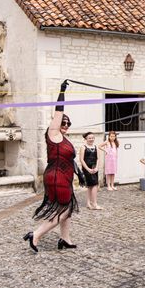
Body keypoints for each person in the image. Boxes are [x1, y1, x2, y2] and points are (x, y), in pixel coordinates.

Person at [23, 80, 78, 253]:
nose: (66, 125)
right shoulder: (53, 133)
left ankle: (65, 239)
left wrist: (78, 171)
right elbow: (58, 112)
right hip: (57, 177)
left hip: (63, 177)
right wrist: (62, 92)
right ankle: (36, 234)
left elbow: (68, 158)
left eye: (68, 124)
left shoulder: (64, 139)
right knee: (63, 210)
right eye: (64, 123)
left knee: (66, 208)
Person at [79, 132, 102, 210]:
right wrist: (87, 169)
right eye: (89, 138)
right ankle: (94, 203)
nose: (91, 139)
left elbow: (98, 158)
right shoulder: (83, 147)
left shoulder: (96, 147)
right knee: (94, 185)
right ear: (86, 139)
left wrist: (97, 167)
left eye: (92, 138)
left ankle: (89, 203)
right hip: (87, 168)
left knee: (90, 186)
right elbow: (81, 159)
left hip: (94, 167)